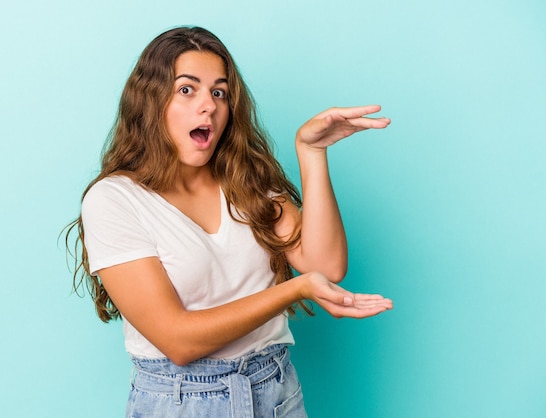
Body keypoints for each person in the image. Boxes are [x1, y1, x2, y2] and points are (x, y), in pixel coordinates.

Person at [65, 26, 393, 417]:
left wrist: (312, 152)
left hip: (275, 390)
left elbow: (326, 266)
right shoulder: (114, 200)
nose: (209, 106)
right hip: (181, 401)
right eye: (187, 89)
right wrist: (295, 290)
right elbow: (178, 340)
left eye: (218, 92)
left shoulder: (244, 179)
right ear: (150, 101)